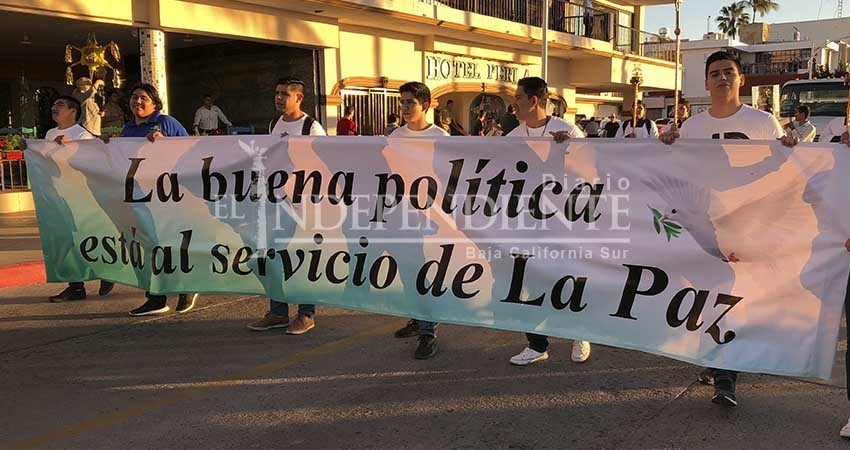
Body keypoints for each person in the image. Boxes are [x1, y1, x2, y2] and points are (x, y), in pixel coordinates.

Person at [659, 51, 799, 407]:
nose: (722, 78)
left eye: (729, 72)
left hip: (748, 227)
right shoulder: (691, 127)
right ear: (706, 82)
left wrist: (791, 151)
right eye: (715, 73)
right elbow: (678, 172)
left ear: (741, 80)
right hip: (705, 228)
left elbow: (783, 172)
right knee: (707, 295)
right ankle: (717, 358)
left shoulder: (764, 123)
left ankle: (725, 376)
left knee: (732, 297)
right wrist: (664, 148)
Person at [505, 76, 592, 366]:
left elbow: (590, 171)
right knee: (526, 280)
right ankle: (536, 344)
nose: (513, 103)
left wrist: (567, 151)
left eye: (518, 97)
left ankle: (579, 331)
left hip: (564, 220)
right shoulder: (513, 137)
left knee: (566, 276)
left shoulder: (566, 130)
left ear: (533, 100)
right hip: (527, 221)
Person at [247, 77, 325, 334]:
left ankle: (306, 314)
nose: (279, 98)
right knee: (274, 256)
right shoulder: (274, 124)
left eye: (284, 94)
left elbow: (323, 165)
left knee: (301, 258)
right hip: (275, 203)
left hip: (302, 206)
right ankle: (278, 312)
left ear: (298, 98)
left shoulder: (311, 127)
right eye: (277, 93)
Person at [119, 83, 198, 316]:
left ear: (155, 103)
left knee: (174, 243)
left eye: (143, 97)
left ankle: (187, 287)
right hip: (141, 196)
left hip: (170, 194)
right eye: (134, 97)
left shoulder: (166, 123)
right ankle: (155, 297)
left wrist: (165, 141)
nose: (138, 101)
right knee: (149, 245)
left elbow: (191, 151)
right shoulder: (128, 128)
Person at [389, 81, 449, 360]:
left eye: (409, 102)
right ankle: (417, 319)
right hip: (401, 214)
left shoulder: (440, 137)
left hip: (427, 216)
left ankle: (428, 332)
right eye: (401, 102)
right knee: (407, 272)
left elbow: (450, 178)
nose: (404, 107)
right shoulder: (395, 135)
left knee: (423, 273)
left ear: (425, 105)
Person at [45, 95, 115, 302]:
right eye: (54, 104)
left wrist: (72, 146)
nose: (54, 107)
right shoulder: (50, 133)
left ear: (73, 111)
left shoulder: (82, 134)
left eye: (59, 105)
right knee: (66, 240)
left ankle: (108, 271)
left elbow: (94, 161)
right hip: (58, 195)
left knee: (89, 237)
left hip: (81, 196)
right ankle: (75, 286)